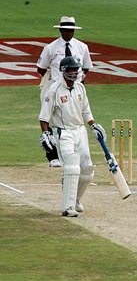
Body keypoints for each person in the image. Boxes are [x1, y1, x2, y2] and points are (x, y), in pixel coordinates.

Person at [38, 56, 106, 217]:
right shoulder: (53, 90)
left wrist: (93, 125)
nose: (75, 73)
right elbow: (44, 117)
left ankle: (75, 200)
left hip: (80, 131)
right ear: (63, 71)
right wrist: (46, 133)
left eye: (76, 70)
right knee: (72, 167)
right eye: (71, 70)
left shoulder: (80, 88)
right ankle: (67, 207)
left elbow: (86, 111)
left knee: (88, 169)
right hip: (64, 132)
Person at [36, 16, 92, 168]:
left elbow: (85, 67)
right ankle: (52, 155)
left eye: (71, 30)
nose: (68, 33)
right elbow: (41, 68)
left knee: (73, 120)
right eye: (66, 30)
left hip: (75, 88)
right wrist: (57, 81)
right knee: (52, 121)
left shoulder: (82, 47)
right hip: (55, 86)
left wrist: (75, 80)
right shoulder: (51, 48)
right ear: (60, 30)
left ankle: (73, 151)